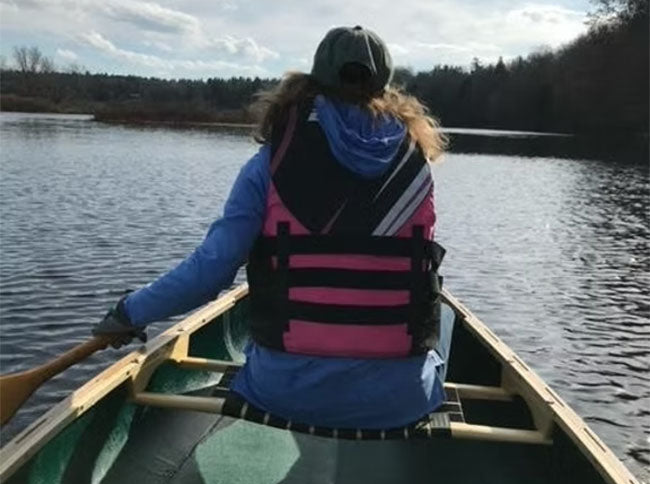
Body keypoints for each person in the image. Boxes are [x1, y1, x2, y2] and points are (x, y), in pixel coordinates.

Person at [93, 25, 448, 430]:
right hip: (399, 403)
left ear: (314, 80)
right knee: (438, 341)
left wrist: (129, 312)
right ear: (383, 86)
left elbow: (209, 272)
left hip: (283, 395)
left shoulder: (268, 164)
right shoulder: (418, 168)